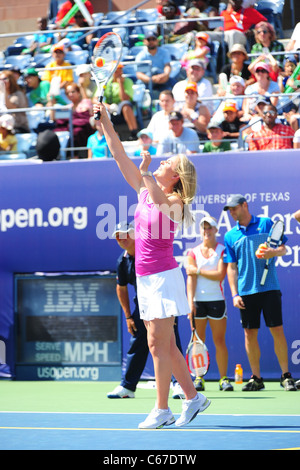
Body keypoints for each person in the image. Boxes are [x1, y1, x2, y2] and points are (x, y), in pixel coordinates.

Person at [94, 100, 211, 429]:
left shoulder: (173, 200)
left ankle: (162, 408)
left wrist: (145, 171)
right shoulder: (146, 191)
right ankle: (193, 397)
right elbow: (118, 154)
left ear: (175, 177)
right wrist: (105, 122)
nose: (160, 163)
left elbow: (161, 206)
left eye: (166, 163)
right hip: (145, 277)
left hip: (162, 275)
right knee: (165, 343)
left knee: (157, 344)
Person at [223, 194, 297, 391]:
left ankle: (286, 376)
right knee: (249, 334)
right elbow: (231, 268)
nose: (231, 212)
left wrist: (273, 252)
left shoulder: (266, 224)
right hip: (245, 291)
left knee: (277, 331)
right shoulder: (230, 236)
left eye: (234, 208)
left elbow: (284, 249)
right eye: (229, 210)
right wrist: (234, 294)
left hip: (270, 287)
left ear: (244, 205)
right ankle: (256, 378)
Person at [186, 216, 233, 391]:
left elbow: (220, 275)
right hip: (198, 302)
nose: (207, 231)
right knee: (198, 342)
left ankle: (223, 379)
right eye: (203, 228)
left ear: (215, 230)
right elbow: (190, 279)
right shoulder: (193, 252)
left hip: (217, 301)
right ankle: (199, 378)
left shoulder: (222, 250)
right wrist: (190, 303)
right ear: (201, 231)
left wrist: (198, 270)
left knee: (219, 340)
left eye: (210, 228)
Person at [107, 221, 149, 399]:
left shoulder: (148, 251)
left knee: (170, 343)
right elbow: (121, 287)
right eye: (117, 236)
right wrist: (128, 316)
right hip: (142, 305)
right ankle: (128, 387)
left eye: (124, 234)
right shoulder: (122, 261)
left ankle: (179, 386)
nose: (120, 238)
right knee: (137, 343)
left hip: (162, 303)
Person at [53, 81, 94, 158]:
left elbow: (85, 120)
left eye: (73, 92)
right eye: (68, 93)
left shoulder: (86, 102)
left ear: (78, 92)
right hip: (72, 129)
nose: (70, 94)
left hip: (85, 131)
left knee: (76, 132)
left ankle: (73, 156)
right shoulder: (68, 107)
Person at [103, 63, 139, 141]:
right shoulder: (107, 83)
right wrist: (108, 106)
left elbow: (124, 99)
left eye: (120, 70)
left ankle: (134, 133)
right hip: (111, 108)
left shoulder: (127, 81)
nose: (119, 73)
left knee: (125, 106)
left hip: (124, 107)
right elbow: (95, 99)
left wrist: (120, 83)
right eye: (116, 71)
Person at [135, 31, 174, 99]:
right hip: (147, 81)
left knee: (174, 83)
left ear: (157, 40)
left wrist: (165, 75)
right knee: (139, 88)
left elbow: (167, 66)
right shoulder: (141, 56)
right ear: (144, 41)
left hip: (162, 79)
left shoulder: (164, 52)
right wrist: (151, 79)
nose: (151, 41)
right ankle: (143, 107)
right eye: (148, 39)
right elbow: (139, 74)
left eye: (153, 39)